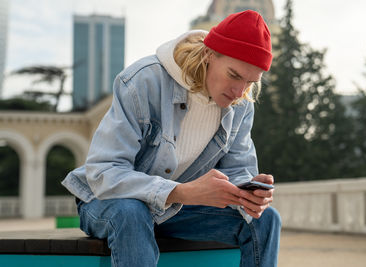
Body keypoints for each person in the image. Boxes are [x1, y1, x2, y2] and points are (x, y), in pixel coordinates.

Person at [62, 10, 281, 267]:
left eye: (250, 82)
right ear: (209, 54)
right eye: (233, 75)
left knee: (265, 220)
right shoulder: (143, 81)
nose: (239, 91)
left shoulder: (242, 105)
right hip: (109, 202)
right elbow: (104, 172)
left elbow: (237, 170)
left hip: (176, 210)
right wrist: (181, 192)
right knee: (132, 212)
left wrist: (248, 191)